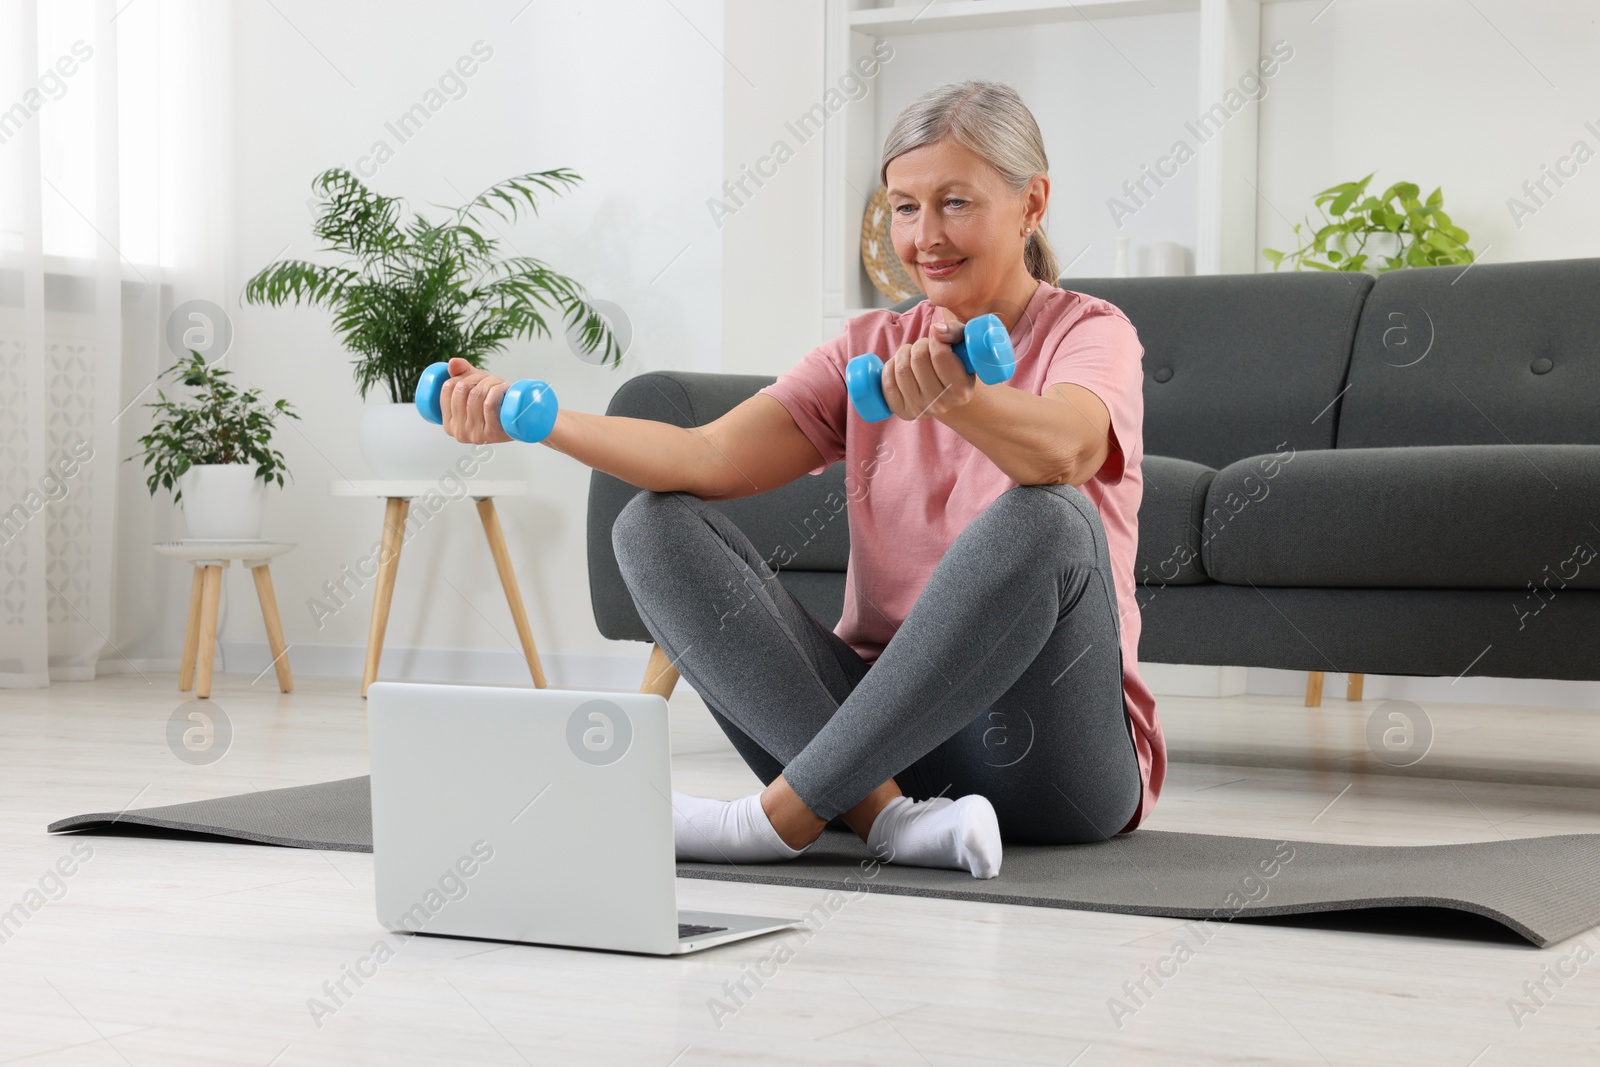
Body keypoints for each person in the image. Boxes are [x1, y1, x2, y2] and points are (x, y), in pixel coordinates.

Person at [436, 80, 1165, 880]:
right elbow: (707, 456)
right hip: (872, 756)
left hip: (1048, 760)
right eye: (905, 207)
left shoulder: (1091, 332)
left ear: (1033, 204)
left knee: (1053, 520)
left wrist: (962, 401)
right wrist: (533, 420)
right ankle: (891, 820)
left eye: (955, 202)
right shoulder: (870, 344)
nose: (925, 236)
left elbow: (1062, 452)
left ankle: (776, 819)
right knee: (649, 525)